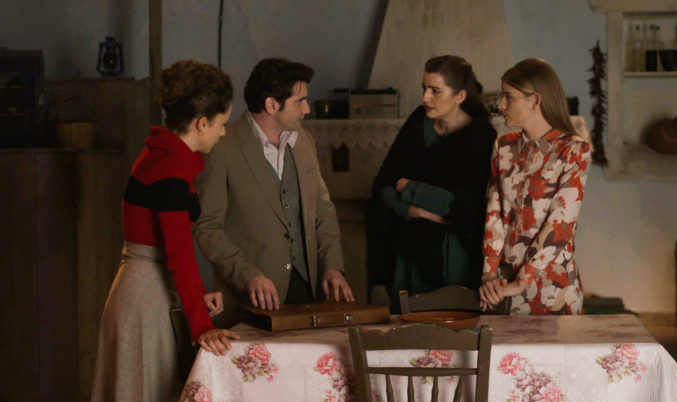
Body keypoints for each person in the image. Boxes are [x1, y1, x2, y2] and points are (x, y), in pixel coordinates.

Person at [90, 60, 238, 402]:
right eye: (222, 124)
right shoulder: (169, 169)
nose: (223, 133)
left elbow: (168, 250)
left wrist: (198, 295)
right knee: (147, 400)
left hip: (148, 289)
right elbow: (179, 253)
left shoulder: (165, 158)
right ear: (202, 124)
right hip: (145, 302)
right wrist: (202, 327)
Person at [194, 57, 354, 328]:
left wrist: (332, 267)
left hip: (309, 293)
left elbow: (323, 212)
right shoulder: (221, 147)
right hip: (249, 300)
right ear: (271, 105)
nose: (307, 109)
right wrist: (249, 276)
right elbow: (206, 227)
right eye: (299, 101)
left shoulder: (303, 141)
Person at [369, 55, 497, 311]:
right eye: (424, 88)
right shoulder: (419, 121)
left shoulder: (481, 135)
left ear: (460, 96)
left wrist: (407, 187)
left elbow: (459, 205)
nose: (425, 97)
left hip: (452, 253)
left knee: (451, 325)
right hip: (407, 250)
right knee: (404, 325)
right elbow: (382, 185)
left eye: (435, 91)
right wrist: (410, 210)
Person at [480, 58, 591, 315]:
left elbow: (561, 224)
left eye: (508, 97)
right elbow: (494, 214)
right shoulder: (503, 146)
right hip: (501, 287)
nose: (501, 105)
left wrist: (521, 282)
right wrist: (489, 274)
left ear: (535, 100)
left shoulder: (574, 150)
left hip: (554, 289)